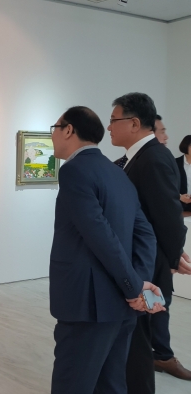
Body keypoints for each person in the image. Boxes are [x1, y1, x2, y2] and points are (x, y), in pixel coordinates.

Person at [49, 105, 162, 394]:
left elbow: (99, 235)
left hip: (88, 305)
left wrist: (134, 287)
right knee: (111, 384)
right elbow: (145, 234)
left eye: (54, 128)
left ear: (69, 130)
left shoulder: (74, 170)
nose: (53, 135)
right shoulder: (117, 172)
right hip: (122, 307)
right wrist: (139, 285)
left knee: (72, 384)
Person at [108, 92, 191, 392]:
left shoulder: (153, 157)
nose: (109, 127)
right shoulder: (136, 157)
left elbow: (168, 216)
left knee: (140, 337)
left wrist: (171, 259)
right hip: (143, 261)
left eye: (113, 120)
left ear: (133, 123)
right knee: (136, 334)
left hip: (149, 265)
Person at [176, 135, 191, 213]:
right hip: (178, 204)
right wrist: (179, 196)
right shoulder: (175, 163)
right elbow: (168, 184)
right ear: (185, 146)